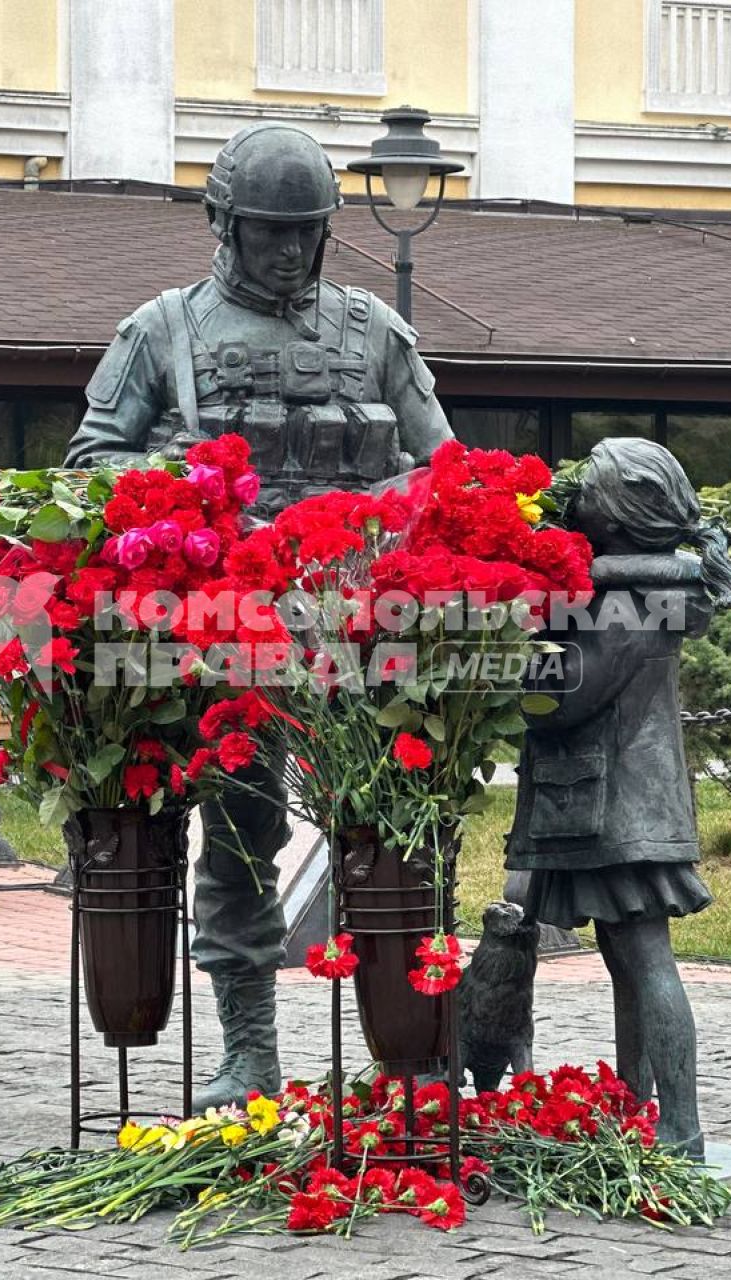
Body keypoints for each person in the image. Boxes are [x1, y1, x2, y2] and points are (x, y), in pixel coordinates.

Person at [64, 123, 456, 1110]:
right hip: (227, 641)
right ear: (224, 225)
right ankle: (248, 1047)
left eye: (308, 234)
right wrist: (188, 491)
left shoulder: (375, 332)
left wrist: (367, 515)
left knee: (391, 832)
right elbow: (89, 461)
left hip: (360, 634)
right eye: (271, 232)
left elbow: (445, 468)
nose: (291, 251)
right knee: (238, 838)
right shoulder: (163, 331)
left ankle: (405, 1041)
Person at [504, 438, 731, 1158]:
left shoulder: (628, 604)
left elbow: (560, 701)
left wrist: (511, 645)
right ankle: (637, 1111)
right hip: (619, 801)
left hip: (615, 806)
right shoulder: (637, 591)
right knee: (630, 962)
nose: (571, 499)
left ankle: (679, 1130)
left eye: (586, 491)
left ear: (613, 516)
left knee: (646, 964)